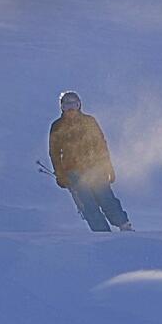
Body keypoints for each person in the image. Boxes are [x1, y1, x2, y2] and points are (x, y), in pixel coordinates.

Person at [49, 91, 133, 232]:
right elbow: (55, 153)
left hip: (95, 169)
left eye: (74, 105)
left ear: (79, 106)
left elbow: (101, 145)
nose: (70, 110)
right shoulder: (57, 126)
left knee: (106, 199)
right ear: (61, 107)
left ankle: (124, 225)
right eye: (67, 105)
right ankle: (102, 233)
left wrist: (108, 167)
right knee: (87, 205)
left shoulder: (89, 122)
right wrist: (60, 174)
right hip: (73, 172)